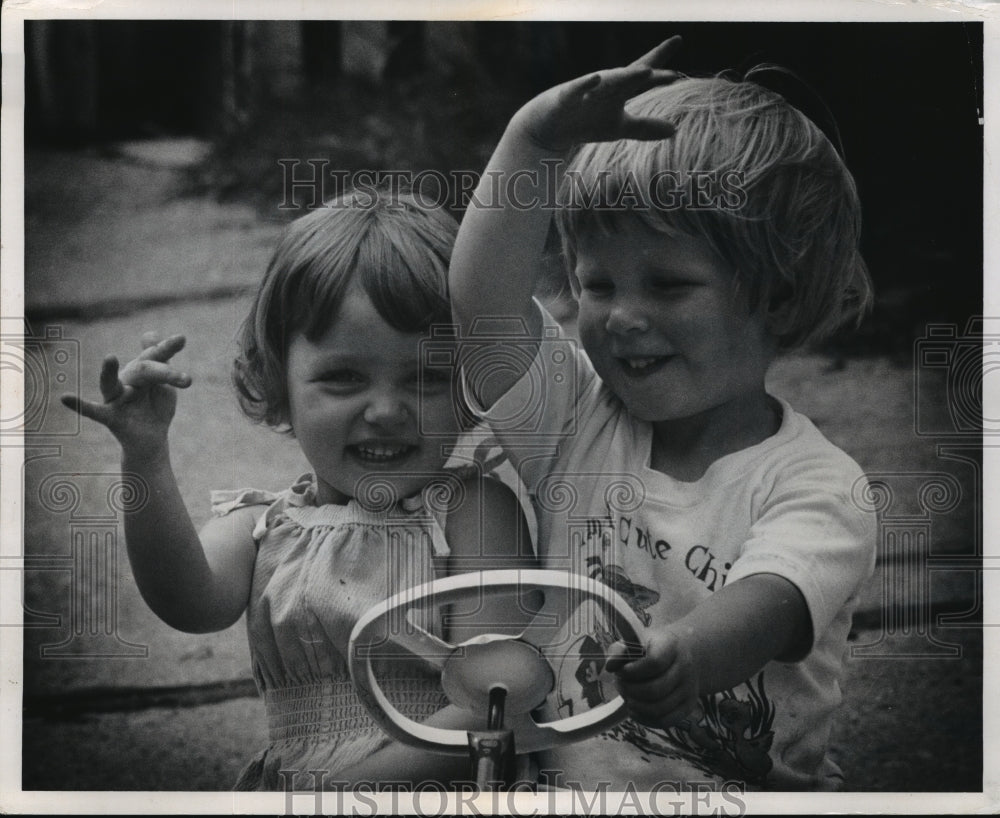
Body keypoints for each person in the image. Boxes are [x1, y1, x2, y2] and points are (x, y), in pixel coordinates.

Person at [448, 36, 878, 791]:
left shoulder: (818, 485)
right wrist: (534, 141)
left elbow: (770, 601)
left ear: (776, 297)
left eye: (669, 285)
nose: (623, 317)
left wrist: (687, 654)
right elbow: (482, 304)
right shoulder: (577, 417)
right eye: (599, 284)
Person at [62, 187, 537, 791]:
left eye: (427, 378)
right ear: (275, 380)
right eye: (343, 378)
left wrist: (346, 795)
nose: (386, 410)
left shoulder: (474, 511)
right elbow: (185, 601)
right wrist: (146, 456)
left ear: (469, 382)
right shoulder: (266, 527)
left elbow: (498, 703)